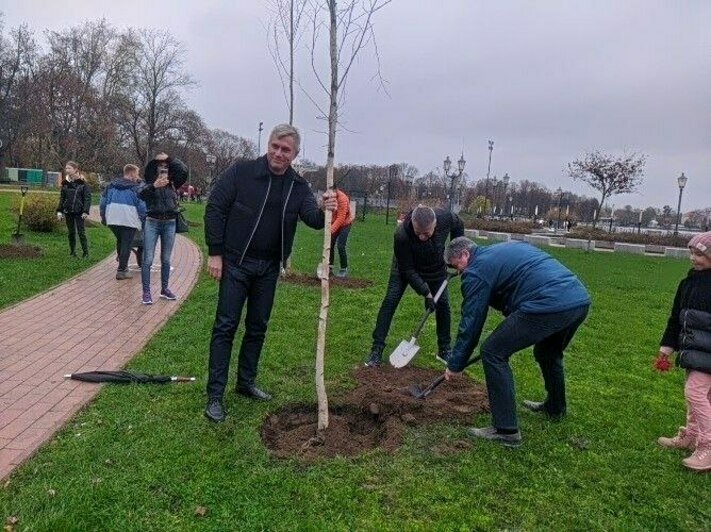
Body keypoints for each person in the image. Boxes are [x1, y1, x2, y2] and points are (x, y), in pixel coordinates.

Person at [203, 124, 337, 423]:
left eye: (285, 149)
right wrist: (215, 252)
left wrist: (327, 207)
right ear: (268, 144)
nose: (278, 153)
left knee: (257, 327)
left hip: (268, 269)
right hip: (236, 262)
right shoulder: (242, 172)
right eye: (275, 146)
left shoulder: (297, 186)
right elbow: (215, 208)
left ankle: (246, 382)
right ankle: (215, 394)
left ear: (295, 154)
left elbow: (314, 220)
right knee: (225, 326)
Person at [444, 237, 591, 447]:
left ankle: (505, 429)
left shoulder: (476, 270)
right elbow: (517, 284)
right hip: (577, 300)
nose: (459, 273)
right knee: (548, 352)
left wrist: (456, 364)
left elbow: (472, 322)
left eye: (456, 266)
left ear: (465, 255)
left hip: (548, 303)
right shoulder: (504, 248)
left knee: (493, 352)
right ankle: (555, 407)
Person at [364, 205, 464, 367]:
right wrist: (426, 292)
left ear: (435, 224)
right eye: (418, 234)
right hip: (405, 267)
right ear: (412, 223)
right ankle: (376, 350)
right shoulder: (401, 235)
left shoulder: (445, 218)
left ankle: (444, 350)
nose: (423, 237)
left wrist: (457, 256)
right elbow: (408, 270)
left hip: (435, 266)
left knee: (443, 304)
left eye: (427, 233)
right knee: (391, 300)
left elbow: (458, 225)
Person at [655, 231, 711, 472]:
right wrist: (667, 347)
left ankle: (707, 445)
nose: (693, 258)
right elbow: (675, 318)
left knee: (695, 393)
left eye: (700, 254)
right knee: (697, 395)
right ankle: (691, 434)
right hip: (693, 352)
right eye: (692, 252)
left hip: (708, 354)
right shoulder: (687, 283)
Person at [139, 152, 188, 305]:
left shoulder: (174, 182)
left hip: (170, 223)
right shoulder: (148, 182)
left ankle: (164, 289)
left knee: (166, 259)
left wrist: (170, 158)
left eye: (166, 167)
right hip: (152, 222)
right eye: (160, 166)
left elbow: (183, 170)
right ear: (154, 168)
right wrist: (154, 186)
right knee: (147, 259)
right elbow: (141, 194)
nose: (163, 170)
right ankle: (146, 292)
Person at [100, 164, 147, 280]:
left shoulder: (111, 186)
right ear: (131, 174)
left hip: (112, 218)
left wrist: (103, 217)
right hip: (128, 219)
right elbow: (141, 206)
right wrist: (143, 219)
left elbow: (102, 202)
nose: (138, 176)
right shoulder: (136, 188)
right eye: (137, 174)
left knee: (121, 241)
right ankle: (122, 270)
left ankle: (122, 262)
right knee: (127, 243)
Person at [56, 161, 91, 258]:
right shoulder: (65, 183)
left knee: (81, 232)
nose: (67, 170)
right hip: (68, 211)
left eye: (69, 168)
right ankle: (72, 252)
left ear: (75, 169)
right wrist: (59, 211)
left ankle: (86, 253)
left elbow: (87, 198)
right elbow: (62, 198)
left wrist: (85, 211)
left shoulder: (83, 183)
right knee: (71, 233)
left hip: (79, 212)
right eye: (66, 168)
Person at [329, 187, 353, 278]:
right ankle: (329, 268)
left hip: (345, 224)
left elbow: (341, 218)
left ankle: (343, 268)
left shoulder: (342, 198)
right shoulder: (328, 196)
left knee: (340, 245)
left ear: (335, 190)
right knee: (329, 244)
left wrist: (330, 230)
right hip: (334, 222)